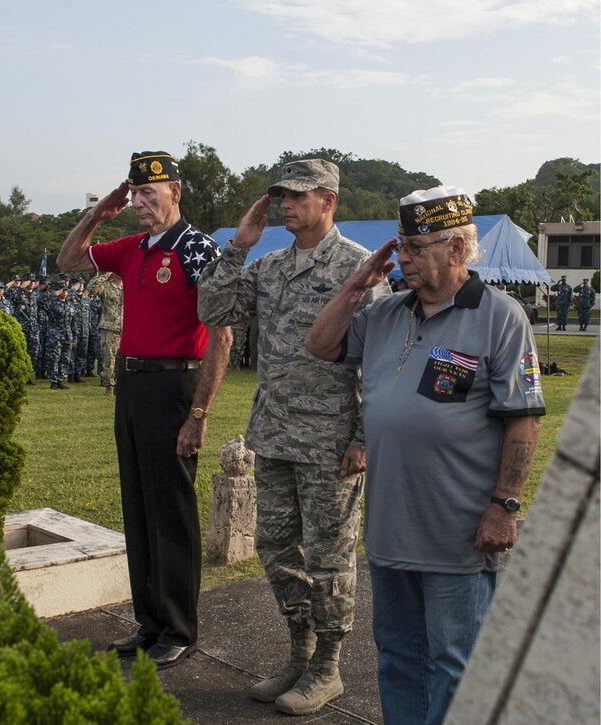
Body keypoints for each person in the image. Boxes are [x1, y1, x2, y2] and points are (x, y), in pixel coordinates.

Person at [306, 186, 545, 725]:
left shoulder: (500, 317)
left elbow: (523, 417)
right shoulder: (388, 312)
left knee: (455, 664)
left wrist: (504, 505)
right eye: (400, 245)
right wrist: (355, 285)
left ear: (458, 249)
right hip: (391, 529)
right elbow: (320, 346)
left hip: (458, 532)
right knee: (397, 659)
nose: (403, 258)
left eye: (415, 247)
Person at [198, 159, 390, 714]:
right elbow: (211, 309)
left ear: (328, 200)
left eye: (298, 196)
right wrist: (238, 246)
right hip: (275, 431)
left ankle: (328, 667)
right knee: (277, 547)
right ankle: (298, 650)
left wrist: (362, 436)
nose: (285, 204)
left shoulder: (359, 268)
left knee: (329, 556)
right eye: (280, 195)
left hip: (331, 440)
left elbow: (376, 366)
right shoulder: (271, 265)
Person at [57, 151, 231, 670]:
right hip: (132, 385)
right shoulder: (132, 247)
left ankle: (179, 627)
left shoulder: (197, 249)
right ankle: (150, 621)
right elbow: (69, 260)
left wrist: (199, 415)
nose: (138, 204)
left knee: (171, 511)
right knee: (138, 507)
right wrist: (97, 215)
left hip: (175, 384)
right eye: (133, 195)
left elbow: (222, 334)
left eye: (147, 194)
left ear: (175, 191)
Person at [87, 271, 123, 395]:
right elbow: (91, 288)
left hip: (126, 328)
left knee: (123, 359)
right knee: (109, 358)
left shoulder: (129, 284)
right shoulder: (106, 285)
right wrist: (105, 275)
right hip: (110, 327)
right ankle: (110, 386)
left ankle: (121, 385)